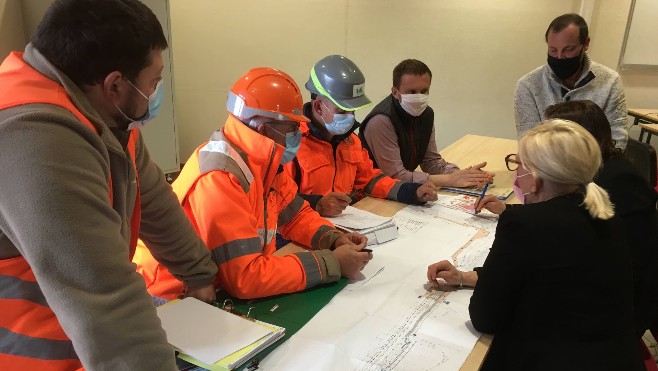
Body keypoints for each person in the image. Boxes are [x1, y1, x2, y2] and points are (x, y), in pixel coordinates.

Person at [0, 0, 218, 369]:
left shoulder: (102, 114)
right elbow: (103, 293)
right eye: (154, 81)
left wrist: (198, 273)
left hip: (82, 339)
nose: (157, 90)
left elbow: (154, 200)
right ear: (115, 84)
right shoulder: (34, 135)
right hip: (34, 352)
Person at [133, 67, 372, 301]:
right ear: (263, 128)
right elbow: (246, 278)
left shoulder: (264, 162)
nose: (298, 132)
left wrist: (334, 238)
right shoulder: (220, 175)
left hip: (216, 287)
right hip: (173, 297)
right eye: (291, 128)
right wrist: (333, 264)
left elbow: (296, 217)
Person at [427, 121, 643, 370]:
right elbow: (552, 276)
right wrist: (465, 277)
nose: (515, 172)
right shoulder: (604, 210)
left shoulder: (524, 225)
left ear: (536, 178)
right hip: (616, 357)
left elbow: (485, 317)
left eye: (518, 164)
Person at [545, 100, 658, 337]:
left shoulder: (617, 180)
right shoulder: (588, 170)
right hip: (605, 281)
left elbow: (631, 262)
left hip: (624, 301)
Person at [284, 55, 437, 217]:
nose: (350, 117)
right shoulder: (289, 143)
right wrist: (317, 204)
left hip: (342, 226)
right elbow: (275, 199)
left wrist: (412, 192)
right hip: (296, 232)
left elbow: (370, 179)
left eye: (353, 110)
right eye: (343, 111)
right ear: (319, 107)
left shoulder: (351, 141)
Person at [359, 59, 492, 187]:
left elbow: (430, 161)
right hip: (370, 193)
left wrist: (463, 175)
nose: (419, 97)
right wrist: (450, 179)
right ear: (395, 92)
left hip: (401, 190)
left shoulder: (426, 114)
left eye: (424, 91)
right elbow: (395, 176)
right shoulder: (381, 121)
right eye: (412, 92)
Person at [514, 13, 628, 149]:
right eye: (553, 50)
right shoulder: (528, 85)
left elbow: (617, 138)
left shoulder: (610, 82)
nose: (560, 57)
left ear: (585, 44)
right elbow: (528, 141)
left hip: (596, 165)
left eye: (568, 49)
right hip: (546, 166)